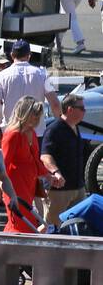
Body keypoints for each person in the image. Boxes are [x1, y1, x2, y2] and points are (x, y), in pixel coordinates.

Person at [1, 96, 60, 232]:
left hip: (29, 184)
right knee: (19, 223)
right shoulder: (12, 135)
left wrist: (48, 175)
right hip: (15, 186)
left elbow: (35, 160)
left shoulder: (32, 133)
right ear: (24, 114)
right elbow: (2, 164)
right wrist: (0, 188)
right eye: (34, 116)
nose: (36, 120)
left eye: (38, 116)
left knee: (27, 222)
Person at [0, 39, 59, 140]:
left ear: (12, 55)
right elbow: (55, 104)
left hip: (11, 132)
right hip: (36, 133)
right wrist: (59, 127)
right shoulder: (43, 74)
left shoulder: (1, 76)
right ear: (29, 55)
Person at [41, 93, 89, 225]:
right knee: (52, 227)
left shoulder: (76, 127)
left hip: (78, 188)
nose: (85, 112)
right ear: (70, 109)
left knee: (80, 225)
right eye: (82, 109)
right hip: (59, 191)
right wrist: (56, 172)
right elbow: (45, 156)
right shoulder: (54, 129)